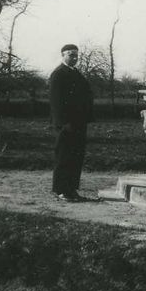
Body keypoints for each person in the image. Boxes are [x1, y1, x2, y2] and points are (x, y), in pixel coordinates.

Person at [49, 44, 93, 202]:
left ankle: (71, 189)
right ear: (62, 55)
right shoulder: (59, 74)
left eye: (76, 55)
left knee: (76, 157)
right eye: (70, 55)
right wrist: (63, 123)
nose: (74, 58)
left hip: (79, 123)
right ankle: (60, 190)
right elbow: (56, 102)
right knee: (64, 156)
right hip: (66, 125)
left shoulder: (76, 73)